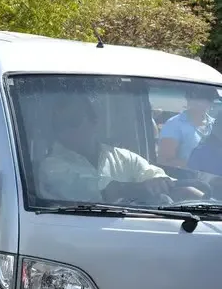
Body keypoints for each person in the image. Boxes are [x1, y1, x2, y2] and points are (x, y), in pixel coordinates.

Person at [38, 95, 198, 203]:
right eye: (59, 125)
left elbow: (161, 181)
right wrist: (137, 189)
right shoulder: (50, 166)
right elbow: (92, 190)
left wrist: (200, 198)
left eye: (73, 121)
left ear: (94, 121)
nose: (66, 130)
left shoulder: (123, 158)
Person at [157, 86, 216, 167]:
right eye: (193, 97)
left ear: (211, 102)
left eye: (203, 98)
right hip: (183, 177)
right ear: (188, 99)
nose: (197, 102)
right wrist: (199, 164)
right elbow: (164, 161)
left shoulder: (216, 125)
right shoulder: (174, 124)